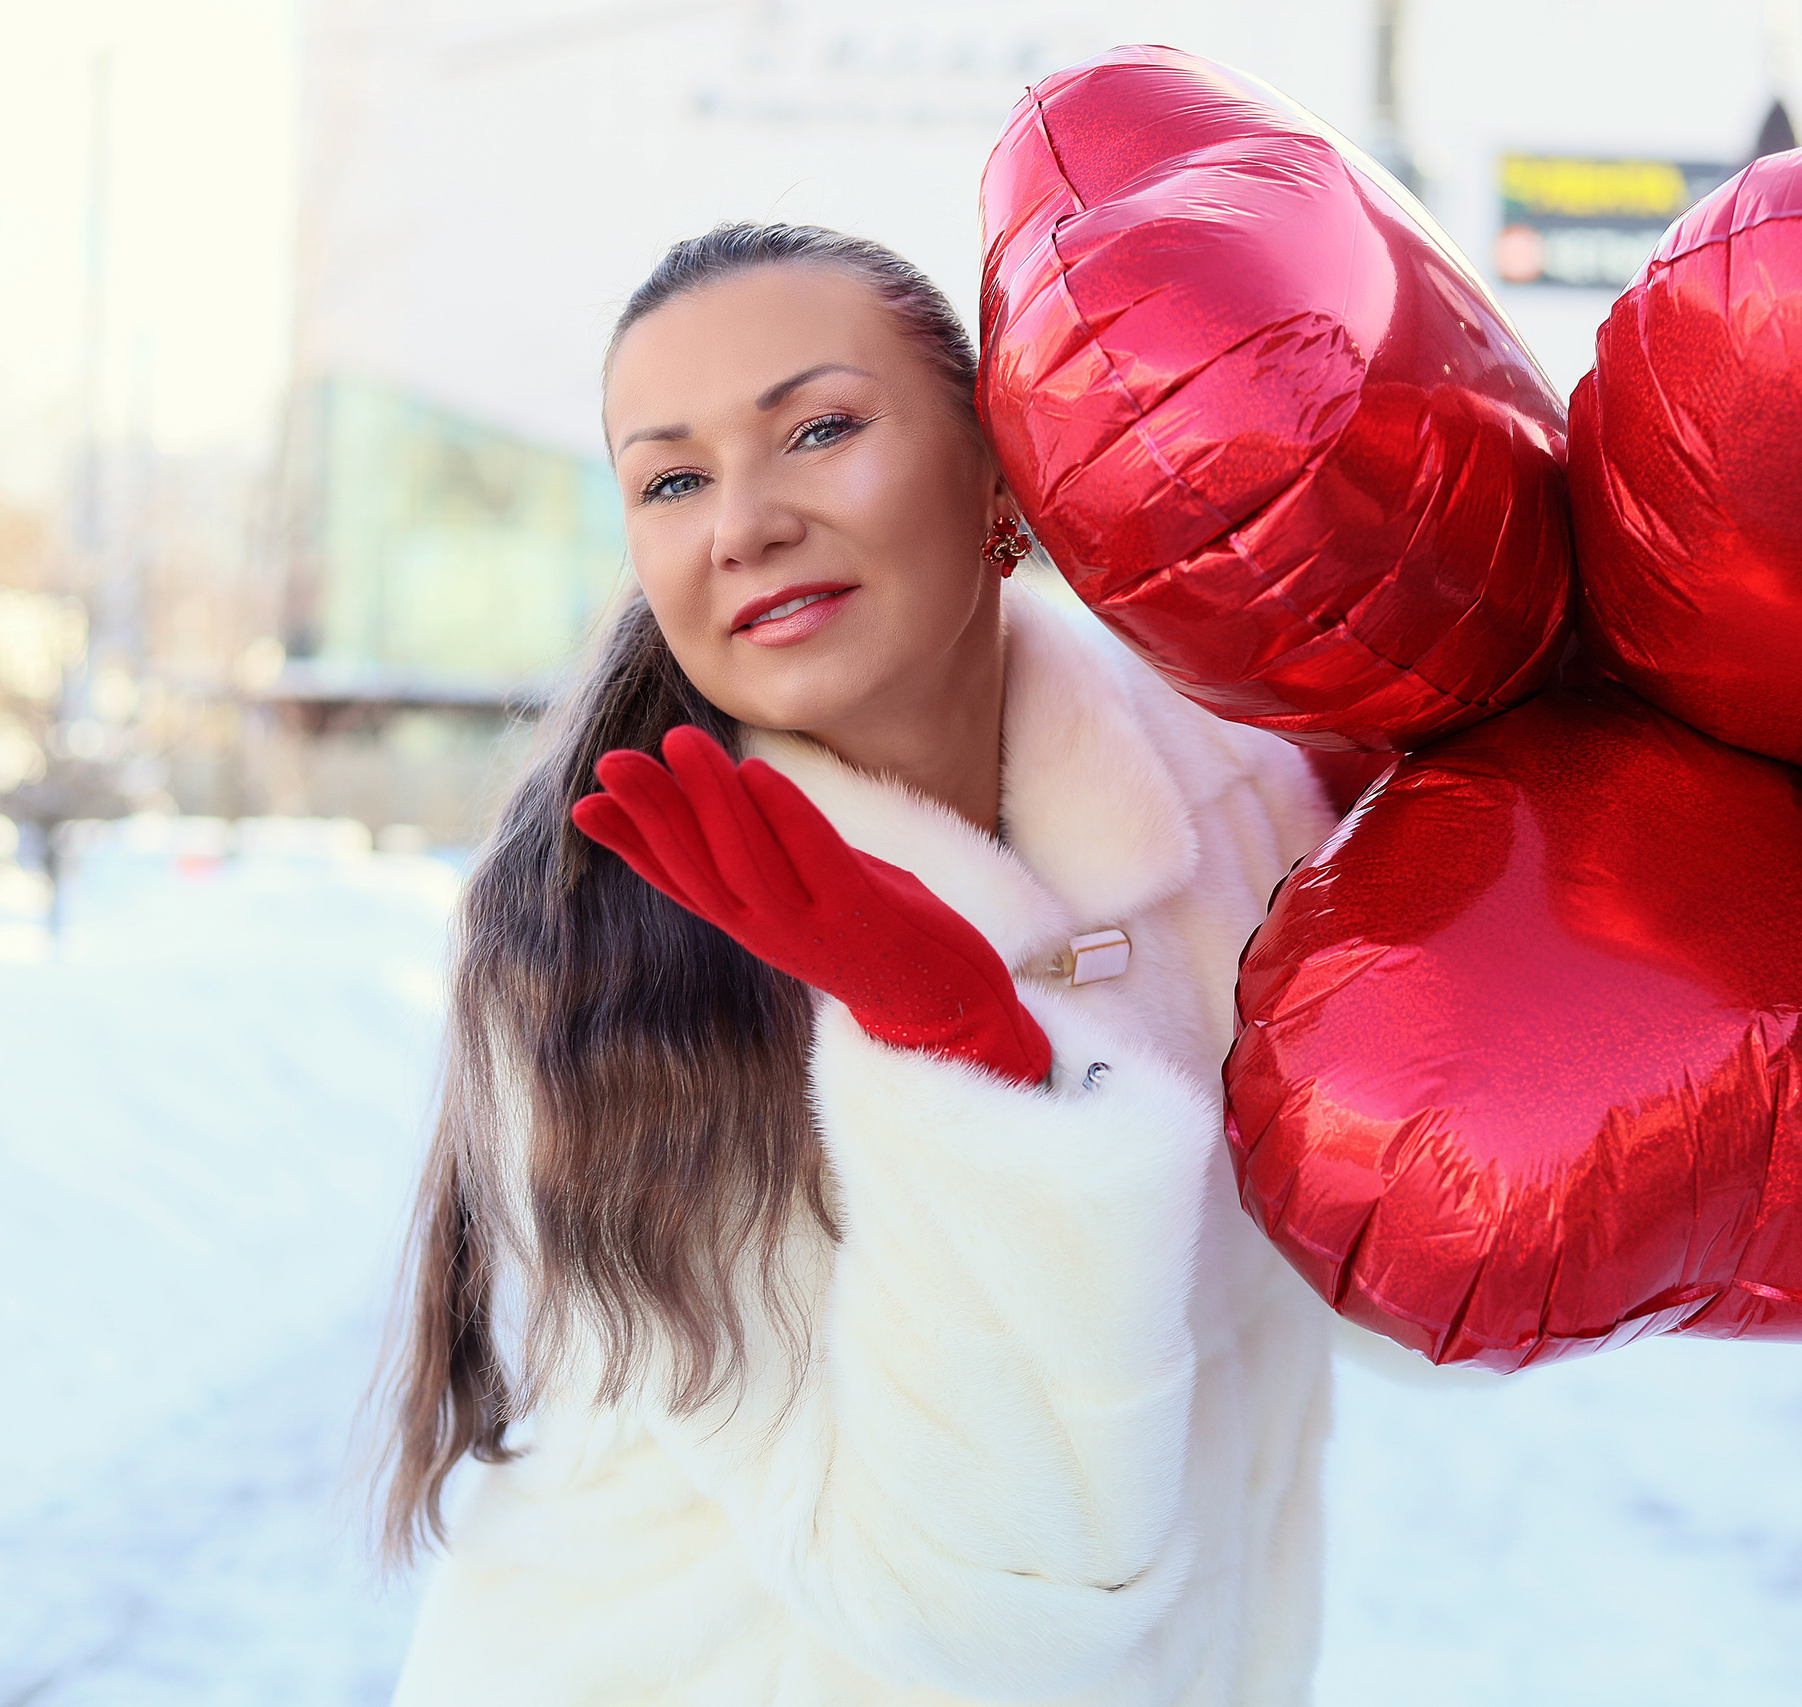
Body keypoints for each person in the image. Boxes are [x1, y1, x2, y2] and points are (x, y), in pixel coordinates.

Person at [377, 222, 1341, 1705]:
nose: (742, 524)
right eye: (673, 478)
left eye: (819, 429)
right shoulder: (607, 936)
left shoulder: (1226, 802)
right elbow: (971, 1603)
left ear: (998, 478)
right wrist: (965, 1067)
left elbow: (1406, 1288)